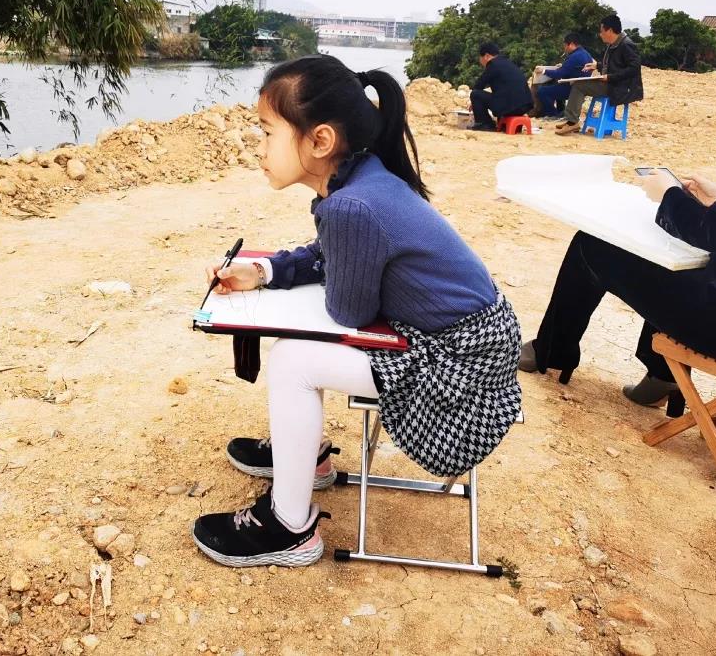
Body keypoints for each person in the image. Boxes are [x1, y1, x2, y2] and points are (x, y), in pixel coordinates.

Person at [191, 54, 522, 567]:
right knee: (298, 348)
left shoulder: (352, 204)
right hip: (473, 336)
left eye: (268, 133)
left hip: (461, 364)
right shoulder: (362, 178)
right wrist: (265, 272)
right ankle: (305, 456)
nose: (258, 148)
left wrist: (297, 287)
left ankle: (289, 527)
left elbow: (348, 311)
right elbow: (331, 255)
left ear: (320, 140)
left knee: (293, 360)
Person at [519, 11, 716, 405]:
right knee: (676, 255)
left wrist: (667, 194)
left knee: (594, 244)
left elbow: (713, 235)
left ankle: (552, 350)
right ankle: (660, 372)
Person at [554, 14, 643, 136]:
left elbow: (634, 68)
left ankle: (572, 122)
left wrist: (610, 77)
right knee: (578, 82)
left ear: (610, 30)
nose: (600, 34)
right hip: (612, 83)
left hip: (620, 87)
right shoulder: (614, 44)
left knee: (579, 85)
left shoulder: (626, 45)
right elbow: (614, 65)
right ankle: (571, 120)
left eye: (602, 31)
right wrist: (597, 66)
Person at [468, 42, 533, 131]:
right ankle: (509, 126)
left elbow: (479, 85)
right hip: (524, 106)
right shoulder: (508, 63)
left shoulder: (492, 65)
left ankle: (485, 124)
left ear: (486, 56)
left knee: (475, 94)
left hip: (509, 106)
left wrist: (473, 103)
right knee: (501, 98)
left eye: (480, 57)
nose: (480, 61)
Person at [529, 33, 593, 118]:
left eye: (565, 45)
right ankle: (561, 111)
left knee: (542, 91)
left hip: (573, 88)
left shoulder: (575, 56)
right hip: (581, 86)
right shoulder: (586, 54)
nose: (565, 48)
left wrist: (543, 71)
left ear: (571, 44)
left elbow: (559, 74)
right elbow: (572, 69)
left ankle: (553, 114)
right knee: (557, 86)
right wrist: (563, 66)